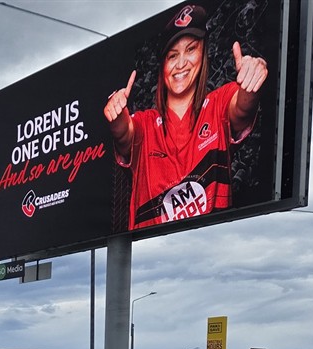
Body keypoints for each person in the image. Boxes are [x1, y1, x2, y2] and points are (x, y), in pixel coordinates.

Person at [103, 4, 267, 231]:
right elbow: (123, 134)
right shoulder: (145, 124)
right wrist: (116, 113)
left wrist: (252, 80)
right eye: (172, 56)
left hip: (210, 251)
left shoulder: (218, 104)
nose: (181, 64)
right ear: (162, 65)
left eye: (190, 49)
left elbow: (242, 109)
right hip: (151, 257)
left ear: (203, 53)